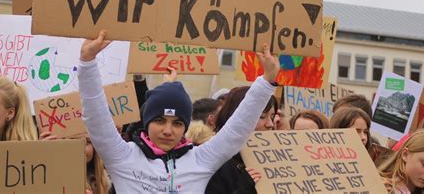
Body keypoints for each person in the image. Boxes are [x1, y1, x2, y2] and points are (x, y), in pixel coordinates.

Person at [79, 31, 280, 192]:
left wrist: (267, 80)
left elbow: (237, 129)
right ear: (147, 122)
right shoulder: (122, 156)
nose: (168, 130)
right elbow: (97, 118)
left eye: (177, 123)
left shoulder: (200, 159)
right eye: (160, 120)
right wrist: (87, 63)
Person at [205, 86, 279, 193]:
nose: (270, 124)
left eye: (272, 117)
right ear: (237, 117)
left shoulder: (273, 159)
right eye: (262, 116)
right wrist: (244, 189)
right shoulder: (214, 163)